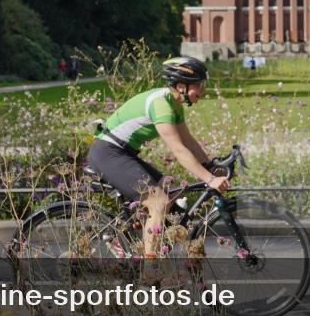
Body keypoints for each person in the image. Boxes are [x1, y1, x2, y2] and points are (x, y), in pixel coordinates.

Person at [87, 56, 230, 258]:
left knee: (167, 190)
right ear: (181, 85)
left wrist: (209, 166)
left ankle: (123, 238)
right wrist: (210, 179)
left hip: (121, 152)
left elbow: (188, 140)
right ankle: (150, 272)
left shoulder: (173, 103)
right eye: (198, 85)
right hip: (107, 152)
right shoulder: (161, 104)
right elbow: (179, 150)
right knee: (158, 201)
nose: (203, 90)